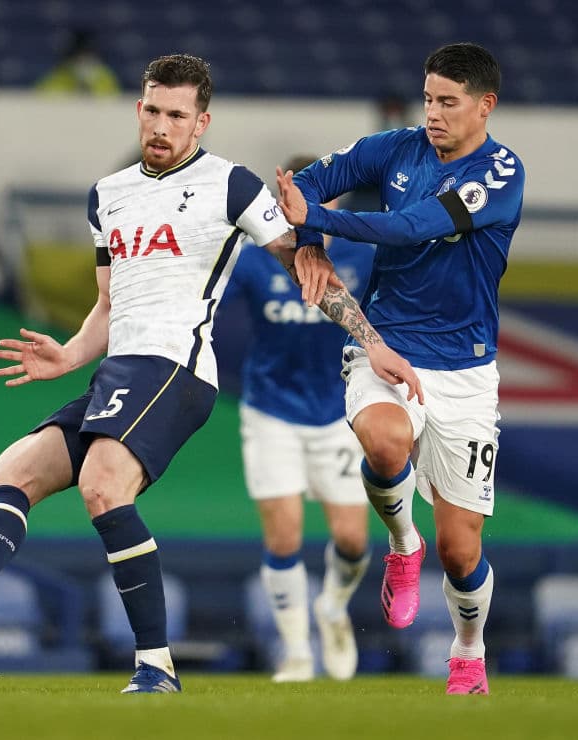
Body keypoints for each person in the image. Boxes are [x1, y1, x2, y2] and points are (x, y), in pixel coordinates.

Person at [0, 53, 420, 695]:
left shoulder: (231, 185)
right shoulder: (108, 196)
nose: (162, 125)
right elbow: (109, 305)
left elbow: (306, 267)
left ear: (201, 122)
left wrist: (371, 343)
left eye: (177, 115)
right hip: (119, 370)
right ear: (138, 109)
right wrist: (68, 354)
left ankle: (156, 666)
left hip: (178, 367)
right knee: (6, 475)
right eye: (153, 109)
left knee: (101, 483)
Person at [275, 42, 525, 695]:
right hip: (387, 344)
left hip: (467, 372)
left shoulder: (499, 173)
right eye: (430, 98)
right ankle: (401, 543)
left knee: (463, 551)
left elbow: (415, 226)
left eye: (449, 102)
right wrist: (309, 245)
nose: (434, 113)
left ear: (484, 105)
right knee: (385, 440)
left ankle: (468, 650)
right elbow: (303, 184)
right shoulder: (395, 147)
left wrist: (319, 221)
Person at [220, 155, 375, 682]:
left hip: (339, 413)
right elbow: (207, 294)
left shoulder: (361, 253)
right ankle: (296, 653)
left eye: (322, 198)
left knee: (353, 541)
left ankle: (332, 607)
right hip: (272, 411)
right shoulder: (257, 257)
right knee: (283, 538)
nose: (311, 209)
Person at [36, 29, 122, 96]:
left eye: (88, 57)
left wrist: (90, 87)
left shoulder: (105, 76)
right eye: (79, 58)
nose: (84, 62)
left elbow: (114, 101)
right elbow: (40, 99)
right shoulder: (59, 76)